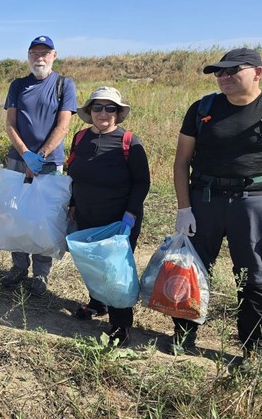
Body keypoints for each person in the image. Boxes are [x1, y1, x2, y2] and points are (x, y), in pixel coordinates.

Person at [172, 48, 262, 358]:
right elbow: (182, 161)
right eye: (219, 71)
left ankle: (254, 350)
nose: (223, 76)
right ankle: (183, 336)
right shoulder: (202, 108)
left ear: (258, 72)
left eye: (232, 70)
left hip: (255, 203)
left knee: (253, 277)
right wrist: (184, 208)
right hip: (204, 200)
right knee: (192, 269)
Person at [67, 87, 150, 347]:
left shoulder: (129, 142)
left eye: (110, 107)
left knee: (115, 272)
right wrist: (72, 204)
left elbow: (142, 182)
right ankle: (97, 304)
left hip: (118, 219)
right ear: (89, 111)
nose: (103, 113)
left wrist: (130, 214)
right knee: (93, 264)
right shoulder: (80, 137)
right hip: (86, 213)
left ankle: (121, 324)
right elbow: (73, 173)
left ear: (118, 112)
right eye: (98, 107)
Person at [1, 35, 77, 295]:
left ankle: (40, 274)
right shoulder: (18, 85)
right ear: (28, 56)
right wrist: (26, 155)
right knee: (17, 214)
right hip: (18, 159)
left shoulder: (64, 85)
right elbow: (10, 124)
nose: (39, 58)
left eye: (45, 53)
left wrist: (40, 156)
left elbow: (63, 126)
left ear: (54, 55)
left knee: (45, 218)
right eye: (35, 53)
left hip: (50, 163)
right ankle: (19, 266)